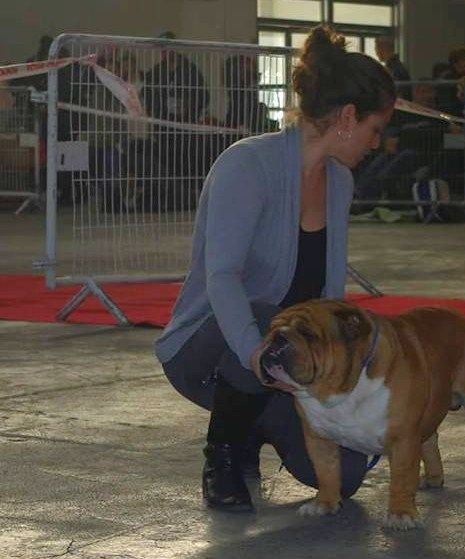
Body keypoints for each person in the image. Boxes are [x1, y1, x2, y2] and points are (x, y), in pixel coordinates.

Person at [155, 25, 396, 511]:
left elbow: (329, 294)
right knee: (273, 323)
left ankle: (254, 420)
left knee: (343, 478)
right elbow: (222, 277)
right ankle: (222, 455)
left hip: (286, 359)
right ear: (347, 117)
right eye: (376, 129)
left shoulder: (339, 183)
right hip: (212, 348)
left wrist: (345, 370)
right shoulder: (247, 165)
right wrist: (255, 355)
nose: (377, 143)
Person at [374, 35, 412, 100]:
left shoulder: (393, 69)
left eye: (376, 48)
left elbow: (396, 94)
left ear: (382, 48)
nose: (376, 53)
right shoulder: (398, 66)